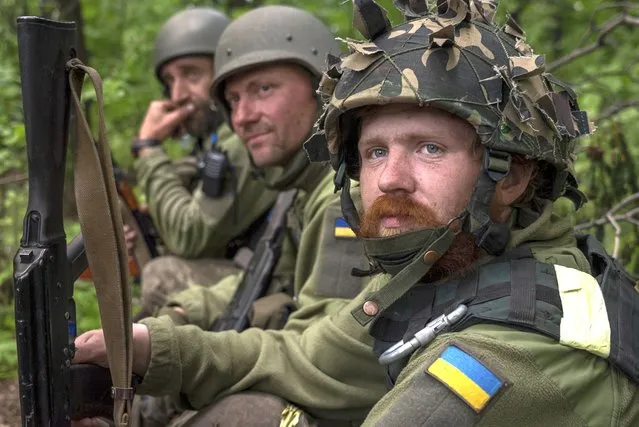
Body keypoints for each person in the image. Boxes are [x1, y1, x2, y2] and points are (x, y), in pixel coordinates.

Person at [74, 0, 639, 426]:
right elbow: (309, 356)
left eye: (429, 148)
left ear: (511, 175)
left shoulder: (500, 356)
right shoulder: (444, 274)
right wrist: (156, 349)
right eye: (374, 152)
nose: (389, 179)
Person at [131, 7, 278, 317]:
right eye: (170, 81)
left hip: (275, 283)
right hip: (244, 268)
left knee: (163, 275)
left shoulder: (244, 140)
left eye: (191, 74)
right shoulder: (214, 141)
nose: (178, 93)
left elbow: (189, 236)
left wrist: (149, 149)